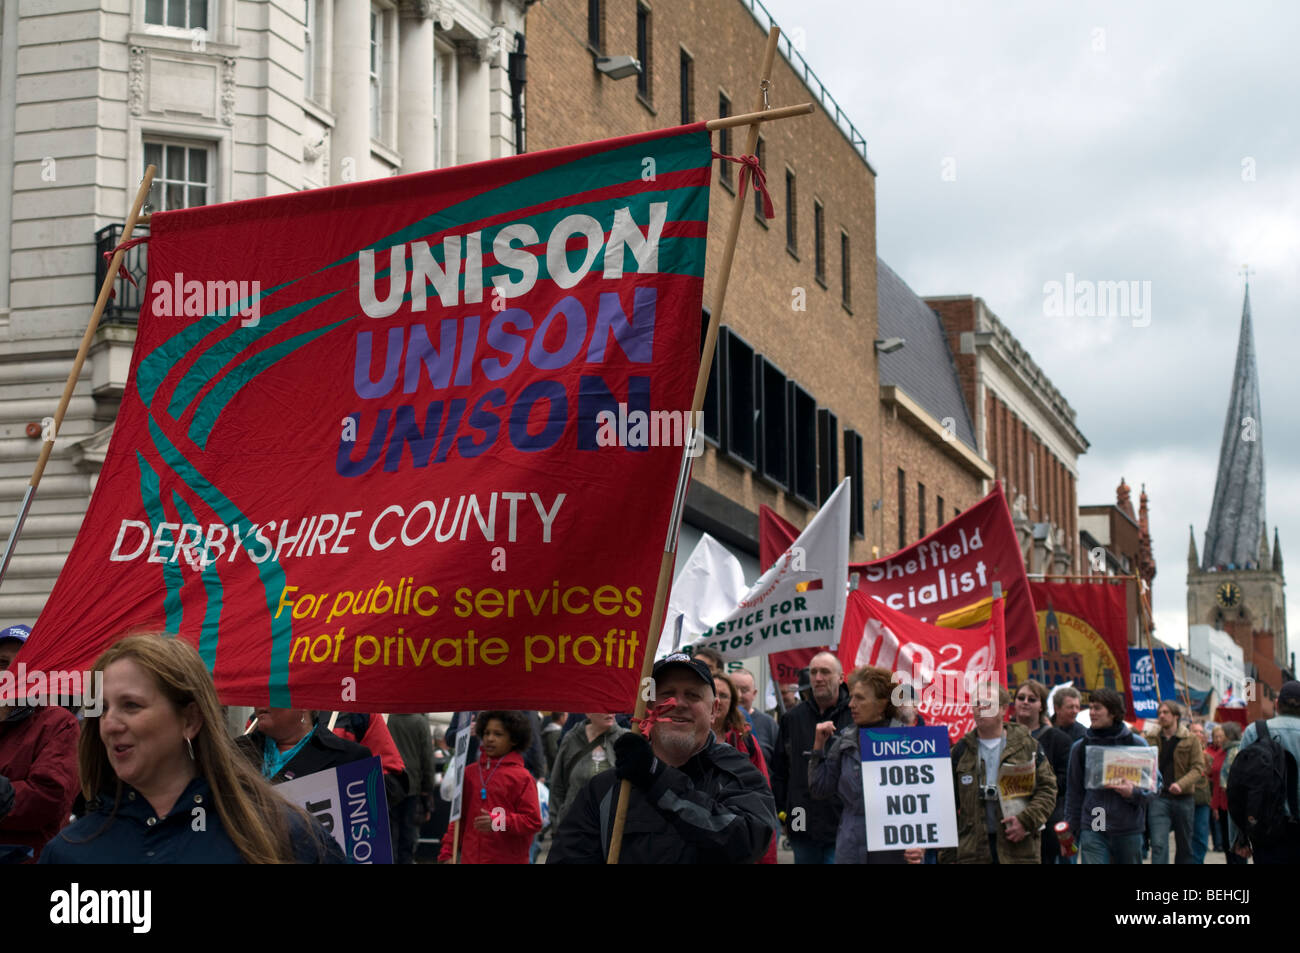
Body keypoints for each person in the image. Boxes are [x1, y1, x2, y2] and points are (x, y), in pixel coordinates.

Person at [41, 634, 342, 863]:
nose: (110, 724)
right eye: (103, 709)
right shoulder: (69, 852)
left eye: (131, 705)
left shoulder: (280, 834)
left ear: (190, 718)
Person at [547, 653, 777, 864]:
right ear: (647, 706)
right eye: (667, 694)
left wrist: (656, 778)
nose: (678, 704)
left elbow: (749, 841)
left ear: (714, 710)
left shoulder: (737, 774)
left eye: (692, 695)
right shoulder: (606, 789)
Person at [809, 665, 922, 864]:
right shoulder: (845, 741)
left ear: (882, 704)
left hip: (897, 852)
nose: (851, 704)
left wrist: (920, 844)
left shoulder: (910, 742)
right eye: (852, 697)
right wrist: (818, 747)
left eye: (860, 698)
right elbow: (819, 789)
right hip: (852, 850)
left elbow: (927, 803)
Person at [942, 686, 1056, 864]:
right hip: (973, 852)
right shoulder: (960, 750)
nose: (980, 708)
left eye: (987, 704)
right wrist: (948, 856)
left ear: (1003, 709)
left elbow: (1048, 790)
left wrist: (1026, 821)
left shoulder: (1027, 746)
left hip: (1018, 849)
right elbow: (946, 805)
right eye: (977, 704)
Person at [0, 624, 80, 863]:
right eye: (3, 663)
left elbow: (47, 800)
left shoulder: (59, 724)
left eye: (23, 665)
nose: (10, 673)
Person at [770, 650, 853, 864]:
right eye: (814, 672)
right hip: (800, 818)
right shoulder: (792, 718)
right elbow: (779, 770)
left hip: (842, 821)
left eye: (825, 672)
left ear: (840, 677)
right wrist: (783, 813)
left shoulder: (855, 715)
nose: (817, 678)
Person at [438, 710, 541, 864]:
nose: (490, 739)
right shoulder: (469, 773)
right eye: (486, 733)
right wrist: (447, 852)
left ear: (514, 739)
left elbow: (533, 821)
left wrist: (499, 821)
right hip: (471, 858)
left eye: (498, 734)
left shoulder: (523, 778)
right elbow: (458, 818)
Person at [1063, 688, 1153, 864]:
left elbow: (1154, 787)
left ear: (1112, 712)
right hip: (1095, 824)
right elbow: (1074, 793)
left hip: (1127, 828)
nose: (1091, 713)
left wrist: (1133, 793)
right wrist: (1069, 832)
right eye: (1090, 708)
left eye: (1097, 708)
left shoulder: (1137, 744)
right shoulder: (1080, 748)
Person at [1230, 680, 1300, 863]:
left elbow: (1238, 787)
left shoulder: (1256, 731)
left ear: (1277, 704)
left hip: (1267, 828)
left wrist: (1239, 837)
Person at [713, 673, 777, 864]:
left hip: (739, 839)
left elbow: (764, 799)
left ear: (732, 702)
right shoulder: (686, 738)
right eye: (712, 693)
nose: (717, 700)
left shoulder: (744, 739)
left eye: (724, 696)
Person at [1012, 679, 1072, 864]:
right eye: (1021, 697)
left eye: (1032, 699)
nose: (1025, 702)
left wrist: (1033, 784)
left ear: (1041, 706)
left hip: (1046, 820)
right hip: (1010, 819)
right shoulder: (1001, 735)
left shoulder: (1059, 739)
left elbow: (1065, 781)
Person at [237, 708, 372, 783]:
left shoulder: (350, 759)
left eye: (272, 690)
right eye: (257, 691)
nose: (260, 700)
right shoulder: (232, 752)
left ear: (302, 702)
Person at [1144, 699, 1202, 864]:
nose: (1161, 716)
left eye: (1165, 712)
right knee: (1158, 844)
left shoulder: (1190, 739)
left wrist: (1181, 784)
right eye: (1159, 713)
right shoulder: (1151, 738)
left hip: (1183, 798)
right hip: (1159, 798)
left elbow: (1198, 768)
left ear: (1176, 716)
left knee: (1184, 847)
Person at [547, 712, 627, 828]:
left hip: (613, 826)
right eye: (602, 707)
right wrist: (557, 823)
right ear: (588, 713)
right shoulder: (571, 739)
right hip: (575, 825)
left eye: (611, 707)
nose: (609, 712)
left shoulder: (625, 738)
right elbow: (557, 785)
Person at [387, 712, 437, 864]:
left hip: (391, 783)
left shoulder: (391, 718)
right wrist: (428, 787)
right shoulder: (421, 722)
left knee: (391, 832)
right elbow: (427, 756)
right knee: (408, 833)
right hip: (413, 785)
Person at [730, 668, 777, 766]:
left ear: (754, 693)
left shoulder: (769, 723)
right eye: (734, 689)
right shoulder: (719, 721)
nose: (738, 695)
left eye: (744, 690)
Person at [1188, 720, 1212, 864]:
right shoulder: (1183, 750)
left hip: (1203, 799)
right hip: (1186, 798)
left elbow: (1210, 773)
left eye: (1200, 732)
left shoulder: (1207, 754)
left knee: (1201, 836)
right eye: (1194, 731)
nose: (1198, 734)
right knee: (1186, 837)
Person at [540, 711, 565, 777]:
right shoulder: (555, 732)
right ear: (561, 717)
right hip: (552, 768)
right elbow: (553, 751)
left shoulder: (549, 730)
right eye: (566, 715)